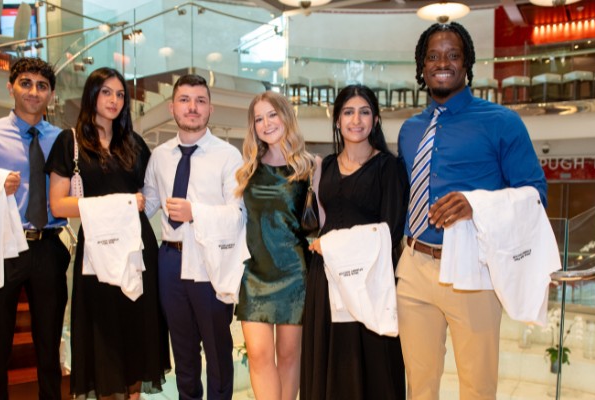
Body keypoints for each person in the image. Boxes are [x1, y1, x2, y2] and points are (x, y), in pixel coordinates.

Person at [396, 22, 547, 400]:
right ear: (421, 66)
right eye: (433, 56)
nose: (442, 62)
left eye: (452, 55)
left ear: (467, 64)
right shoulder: (410, 130)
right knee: (419, 386)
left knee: (478, 388)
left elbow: (536, 194)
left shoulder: (502, 122)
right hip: (414, 267)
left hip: (472, 271)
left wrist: (475, 204)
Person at [45, 67, 170, 399]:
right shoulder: (69, 141)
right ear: (92, 95)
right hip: (98, 251)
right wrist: (119, 203)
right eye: (106, 92)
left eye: (120, 94)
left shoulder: (134, 143)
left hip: (138, 249)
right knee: (105, 337)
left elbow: (151, 196)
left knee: (136, 334)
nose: (114, 100)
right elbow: (57, 205)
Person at [0, 57, 69, 399]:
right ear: (11, 87)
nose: (34, 92)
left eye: (42, 86)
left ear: (51, 94)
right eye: (26, 83)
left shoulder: (62, 139)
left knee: (49, 344)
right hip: (2, 245)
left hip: (48, 245)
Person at [301, 85, 407, 400]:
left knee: (370, 361)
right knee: (331, 359)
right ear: (337, 120)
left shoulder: (389, 168)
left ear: (375, 120)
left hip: (370, 277)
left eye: (364, 112)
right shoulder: (325, 167)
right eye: (348, 112)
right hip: (327, 275)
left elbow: (391, 229)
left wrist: (336, 243)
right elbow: (317, 221)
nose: (356, 120)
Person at [142, 74, 243, 400]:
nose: (192, 107)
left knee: (217, 351)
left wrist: (194, 212)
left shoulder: (229, 156)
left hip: (210, 261)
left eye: (200, 101)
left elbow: (238, 216)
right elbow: (148, 206)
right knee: (182, 351)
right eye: (185, 100)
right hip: (170, 260)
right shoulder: (159, 156)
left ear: (210, 108)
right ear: (172, 107)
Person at [234, 91, 315, 400]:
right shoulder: (247, 169)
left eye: (272, 115)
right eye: (258, 119)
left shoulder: (309, 167)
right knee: (258, 355)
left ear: (286, 116)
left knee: (290, 356)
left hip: (295, 274)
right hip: (254, 274)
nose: (266, 123)